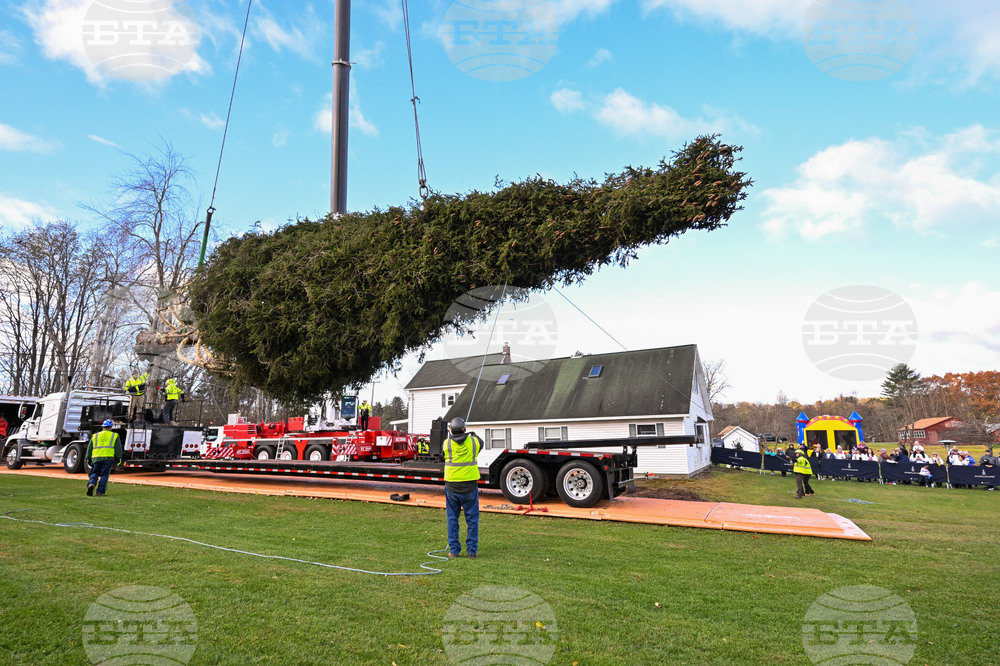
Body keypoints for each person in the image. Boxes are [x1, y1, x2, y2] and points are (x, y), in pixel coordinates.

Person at [442, 417, 483, 558]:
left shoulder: (446, 443)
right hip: (469, 485)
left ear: (451, 430)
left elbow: (443, 456)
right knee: (472, 519)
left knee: (452, 518)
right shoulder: (473, 441)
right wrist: (472, 435)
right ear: (464, 428)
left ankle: (454, 551)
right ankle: (472, 551)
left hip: (452, 485)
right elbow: (481, 443)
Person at [86, 419, 122, 496]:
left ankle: (92, 483)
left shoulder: (95, 436)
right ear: (111, 427)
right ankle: (100, 492)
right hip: (108, 458)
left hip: (96, 457)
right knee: (104, 475)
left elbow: (89, 448)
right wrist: (118, 458)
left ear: (103, 427)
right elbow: (118, 449)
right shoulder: (115, 436)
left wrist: (88, 458)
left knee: (94, 472)